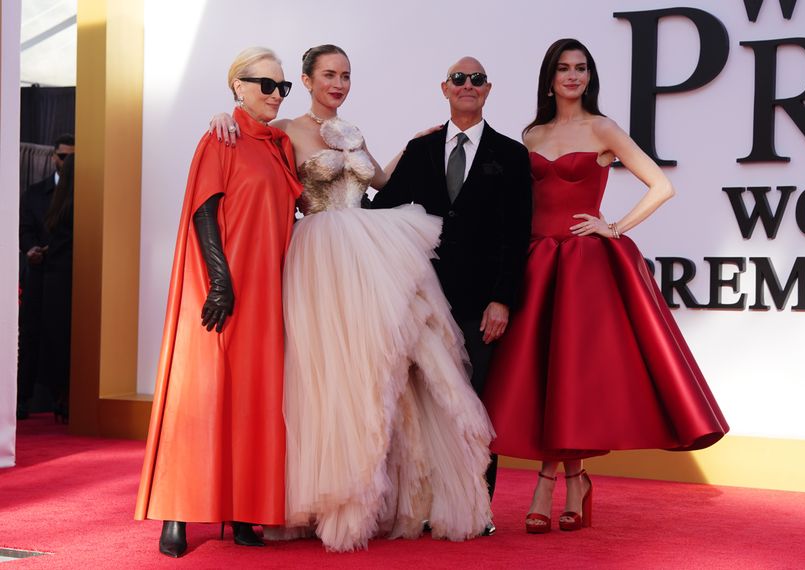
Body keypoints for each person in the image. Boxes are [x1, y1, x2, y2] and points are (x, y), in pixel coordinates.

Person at [210, 45, 494, 552]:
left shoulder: (355, 131)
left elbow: (379, 184)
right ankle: (320, 497)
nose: (338, 84)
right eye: (328, 75)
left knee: (378, 370)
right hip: (318, 254)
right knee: (322, 372)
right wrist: (220, 116)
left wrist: (412, 147)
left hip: (365, 252)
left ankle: (377, 494)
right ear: (306, 79)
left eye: (345, 75)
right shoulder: (285, 130)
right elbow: (257, 156)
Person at [481, 38, 729, 534]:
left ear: (589, 77)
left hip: (583, 269)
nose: (572, 76)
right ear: (549, 78)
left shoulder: (603, 128)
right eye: (563, 68)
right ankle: (577, 481)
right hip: (538, 264)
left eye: (581, 68)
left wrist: (614, 227)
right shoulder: (530, 135)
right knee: (547, 380)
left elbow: (661, 185)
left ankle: (546, 485)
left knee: (571, 375)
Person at [135, 47, 302, 558]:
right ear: (238, 87)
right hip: (219, 290)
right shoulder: (220, 137)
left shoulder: (280, 146)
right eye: (265, 85)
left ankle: (244, 509)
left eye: (282, 87)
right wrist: (221, 282)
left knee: (254, 401)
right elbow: (205, 209)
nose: (275, 94)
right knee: (200, 397)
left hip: (266, 291)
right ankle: (178, 512)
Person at [371, 56, 533, 532]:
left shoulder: (512, 155)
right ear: (444, 88)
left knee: (474, 405)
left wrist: (503, 298)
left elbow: (517, 235)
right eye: (459, 78)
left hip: (481, 307)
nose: (468, 85)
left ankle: (478, 510)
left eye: (476, 79)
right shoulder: (420, 151)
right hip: (422, 302)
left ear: (488, 89)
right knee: (424, 407)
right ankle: (424, 508)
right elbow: (382, 210)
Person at [17, 133, 74, 420]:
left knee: (60, 336)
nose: (67, 162)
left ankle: (58, 399)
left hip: (63, 277)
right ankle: (22, 398)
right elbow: (24, 228)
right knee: (30, 334)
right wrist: (30, 250)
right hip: (37, 274)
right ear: (54, 156)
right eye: (63, 156)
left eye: (73, 158)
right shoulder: (35, 193)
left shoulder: (81, 194)